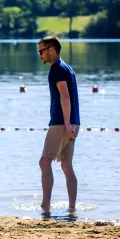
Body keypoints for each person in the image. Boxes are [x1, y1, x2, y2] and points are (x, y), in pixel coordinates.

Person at [37, 36, 81, 215]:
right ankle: (71, 208)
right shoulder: (67, 68)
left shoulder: (57, 69)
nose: (39, 55)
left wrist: (65, 123)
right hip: (73, 122)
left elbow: (65, 96)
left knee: (45, 161)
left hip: (61, 123)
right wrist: (71, 123)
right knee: (66, 165)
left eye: (41, 51)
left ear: (51, 50)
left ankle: (45, 206)